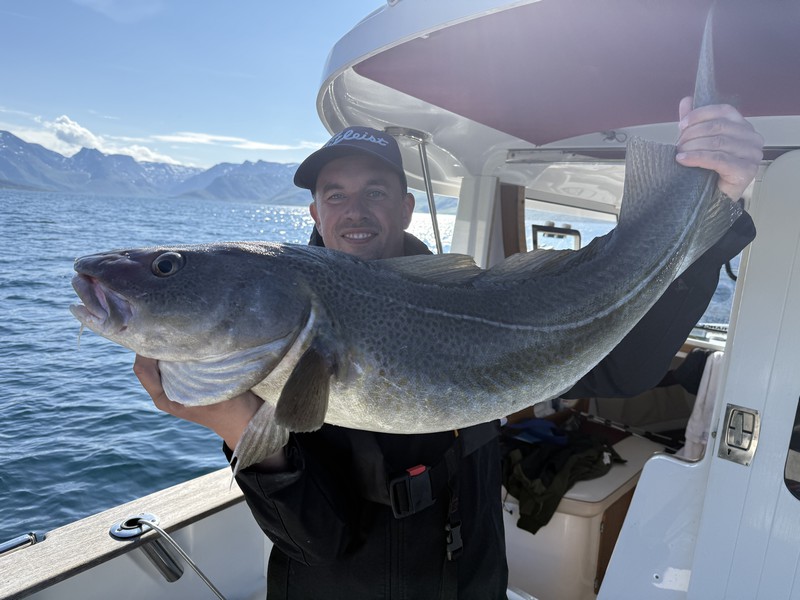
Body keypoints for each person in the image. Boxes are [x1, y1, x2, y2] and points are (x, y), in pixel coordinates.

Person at [134, 96, 763, 599]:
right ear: (316, 213)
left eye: (375, 191)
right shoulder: (271, 339)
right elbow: (320, 542)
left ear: (407, 206)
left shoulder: (477, 304)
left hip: (473, 581)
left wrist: (720, 201)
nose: (355, 210)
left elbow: (624, 368)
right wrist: (239, 427)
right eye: (335, 194)